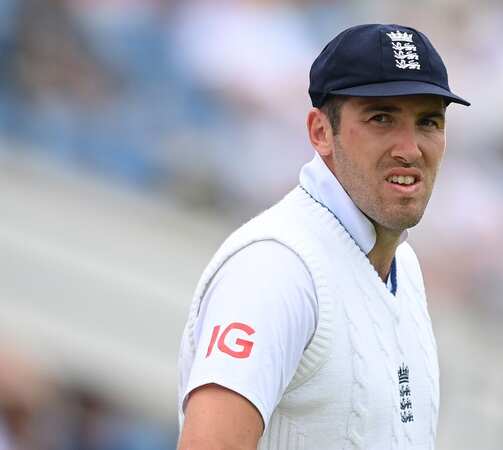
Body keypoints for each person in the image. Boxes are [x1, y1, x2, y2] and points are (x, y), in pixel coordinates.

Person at [176, 23, 469, 450]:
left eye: (428, 121)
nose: (410, 147)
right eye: (381, 118)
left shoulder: (403, 267)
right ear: (320, 132)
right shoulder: (276, 267)